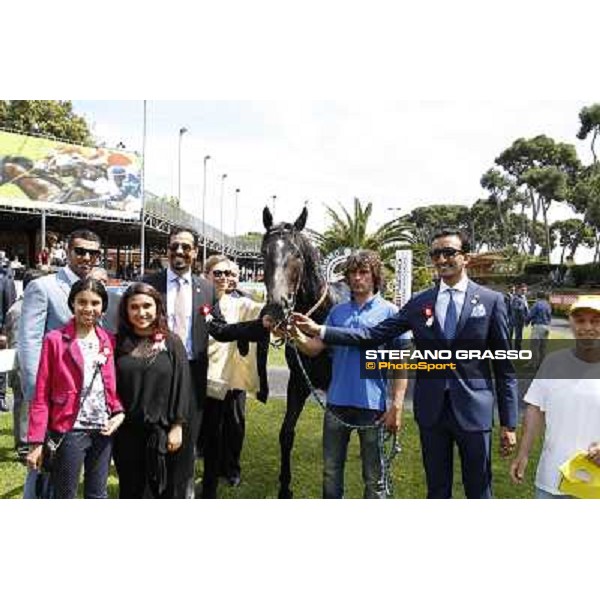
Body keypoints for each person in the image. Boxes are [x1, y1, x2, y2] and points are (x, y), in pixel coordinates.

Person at [294, 229, 518, 499]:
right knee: (436, 489)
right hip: (431, 411)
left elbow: (505, 368)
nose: (441, 258)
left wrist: (509, 423)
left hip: (474, 411)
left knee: (479, 489)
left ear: (466, 258)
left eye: (449, 252)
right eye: (436, 253)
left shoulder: (492, 301)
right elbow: (371, 335)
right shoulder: (419, 302)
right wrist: (322, 330)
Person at [144, 229, 269, 498]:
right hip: (157, 371)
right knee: (154, 437)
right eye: (174, 246)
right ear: (167, 249)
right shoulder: (149, 284)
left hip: (193, 373)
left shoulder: (207, 290)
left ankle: (184, 492)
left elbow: (221, 329)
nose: (179, 251)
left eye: (185, 247)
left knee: (189, 439)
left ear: (195, 252)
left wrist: (261, 327)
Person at [289, 250, 409, 498]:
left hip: (372, 406)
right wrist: (292, 333)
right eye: (353, 273)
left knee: (374, 476)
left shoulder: (391, 313)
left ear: (375, 276)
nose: (357, 278)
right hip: (336, 404)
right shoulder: (338, 312)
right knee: (331, 471)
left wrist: (396, 406)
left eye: (363, 272)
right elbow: (314, 348)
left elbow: (401, 363)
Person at [18, 228, 102, 498]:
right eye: (80, 251)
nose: (86, 257)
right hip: (51, 398)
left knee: (69, 471)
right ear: (67, 251)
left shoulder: (95, 289)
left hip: (87, 402)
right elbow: (29, 344)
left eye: (93, 253)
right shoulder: (43, 287)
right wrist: (36, 396)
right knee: (42, 465)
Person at [25, 278, 124, 499]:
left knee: (97, 494)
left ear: (103, 307)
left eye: (95, 303)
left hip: (103, 429)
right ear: (72, 304)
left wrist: (119, 412)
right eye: (82, 302)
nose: (88, 309)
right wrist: (35, 441)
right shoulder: (55, 340)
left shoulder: (108, 340)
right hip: (70, 429)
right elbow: (41, 394)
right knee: (65, 494)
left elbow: (112, 386)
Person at [510, 296, 600, 498]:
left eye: (595, 321)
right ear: (571, 323)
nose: (587, 327)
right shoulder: (553, 363)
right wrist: (523, 453)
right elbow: (535, 409)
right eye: (580, 320)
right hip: (552, 481)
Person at [112, 283, 191, 498]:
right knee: (130, 490)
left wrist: (177, 426)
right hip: (126, 434)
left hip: (162, 433)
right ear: (126, 311)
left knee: (161, 491)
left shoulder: (172, 343)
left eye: (147, 306)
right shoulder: (116, 344)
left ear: (157, 308)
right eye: (134, 307)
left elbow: (182, 386)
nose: (141, 313)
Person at [201, 256, 266, 496]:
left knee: (234, 425)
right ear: (206, 274)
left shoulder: (242, 302)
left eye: (230, 274)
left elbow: (261, 312)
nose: (225, 278)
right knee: (210, 429)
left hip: (234, 378)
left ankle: (231, 468)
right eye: (218, 273)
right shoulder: (198, 300)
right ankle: (212, 469)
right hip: (205, 376)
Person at [4, 269, 44, 460]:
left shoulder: (22, 307)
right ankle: (23, 446)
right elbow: (19, 343)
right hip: (22, 365)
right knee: (23, 405)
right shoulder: (21, 309)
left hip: (27, 364)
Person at [0, 257, 17, 412]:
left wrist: (5, 330)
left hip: (0, 328)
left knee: (1, 363)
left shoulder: (5, 280)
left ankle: (0, 396)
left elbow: (10, 306)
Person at [527, 291, 552, 370]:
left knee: (534, 346)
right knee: (543, 347)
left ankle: (533, 364)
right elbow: (549, 316)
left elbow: (531, 315)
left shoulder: (536, 304)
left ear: (537, 296)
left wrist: (526, 321)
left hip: (538, 326)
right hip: (546, 326)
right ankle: (542, 364)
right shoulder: (548, 305)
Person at [511, 283, 529, 352]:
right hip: (517, 320)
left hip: (521, 320)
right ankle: (517, 350)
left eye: (525, 290)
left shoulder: (523, 297)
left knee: (520, 336)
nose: (524, 291)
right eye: (523, 290)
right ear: (518, 290)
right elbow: (517, 309)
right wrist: (525, 318)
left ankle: (518, 349)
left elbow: (526, 309)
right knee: (518, 336)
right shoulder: (516, 298)